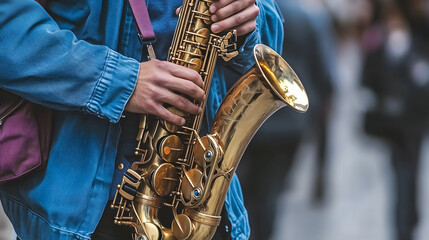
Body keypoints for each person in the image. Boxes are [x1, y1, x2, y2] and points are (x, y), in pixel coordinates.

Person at [0, 0, 283, 239]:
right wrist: (121, 82)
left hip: (199, 205)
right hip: (82, 215)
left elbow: (272, 38)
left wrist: (247, 22)